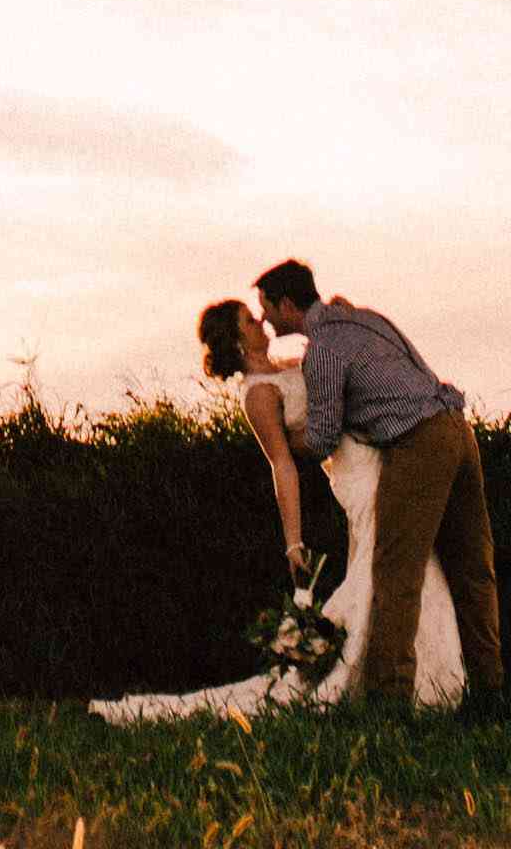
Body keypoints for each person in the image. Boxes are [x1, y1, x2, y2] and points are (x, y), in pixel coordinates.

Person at [87, 291, 467, 724]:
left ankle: (419, 680)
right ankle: (401, 685)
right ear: (237, 342)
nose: (262, 323)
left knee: (399, 563)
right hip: (355, 476)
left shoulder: (297, 364)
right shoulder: (260, 394)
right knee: (395, 565)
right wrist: (294, 543)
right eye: (250, 321)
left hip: (378, 458)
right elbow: (282, 466)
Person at [264, 257, 498, 717]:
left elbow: (325, 434)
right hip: (457, 428)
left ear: (288, 304)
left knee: (396, 574)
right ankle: (491, 693)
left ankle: (388, 703)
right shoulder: (368, 319)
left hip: (419, 443)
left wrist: (285, 440)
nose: (266, 319)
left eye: (267, 307)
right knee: (474, 569)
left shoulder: (324, 350)